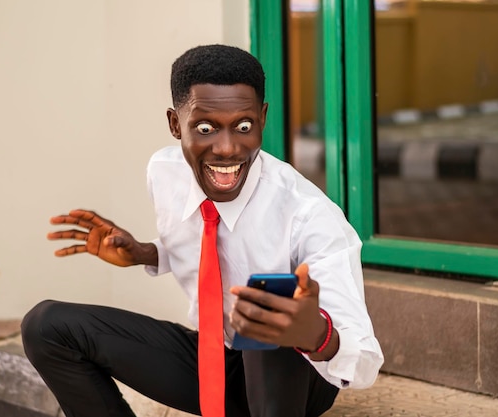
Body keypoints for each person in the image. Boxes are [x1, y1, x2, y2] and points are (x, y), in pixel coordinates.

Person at [21, 44, 384, 417]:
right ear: (176, 124)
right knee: (46, 326)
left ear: (262, 118)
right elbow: (209, 241)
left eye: (243, 126)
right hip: (217, 359)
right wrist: (148, 253)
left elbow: (365, 362)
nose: (227, 149)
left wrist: (315, 335)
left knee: (264, 303)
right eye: (206, 128)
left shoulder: (309, 215)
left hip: (298, 376)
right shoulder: (165, 174)